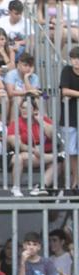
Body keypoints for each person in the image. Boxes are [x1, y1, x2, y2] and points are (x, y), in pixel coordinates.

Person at [60, 47, 79, 191]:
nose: (76, 61)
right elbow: (64, 91)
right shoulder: (66, 70)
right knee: (71, 151)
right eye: (73, 58)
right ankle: (75, 181)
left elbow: (68, 93)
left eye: (77, 58)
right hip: (69, 117)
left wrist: (74, 94)